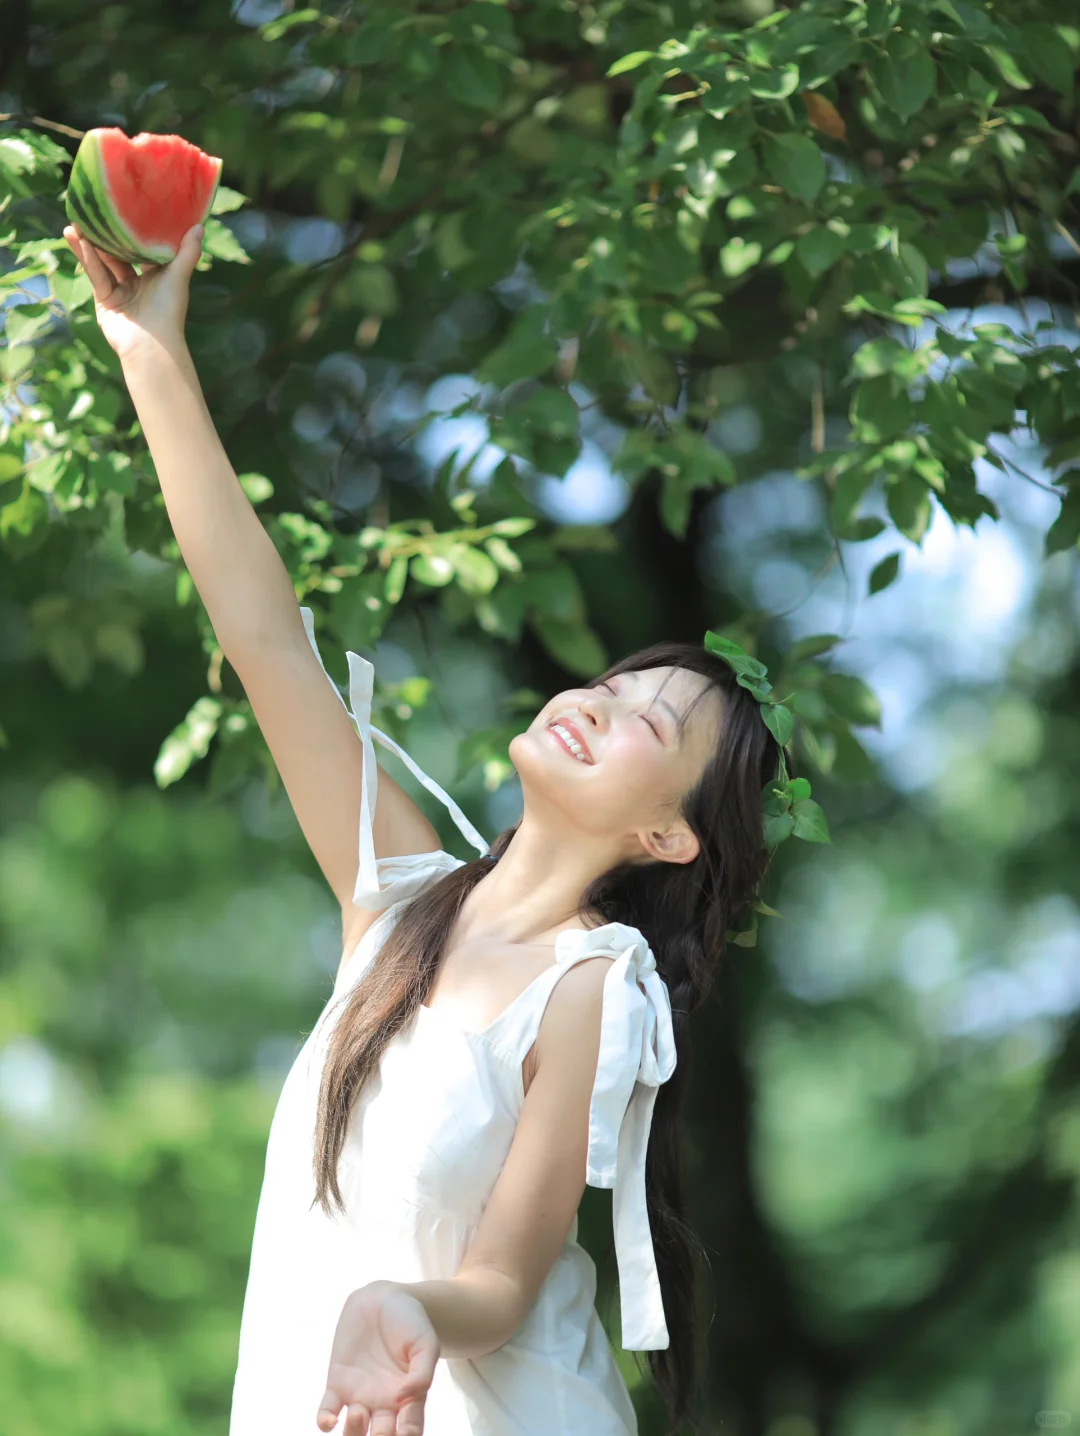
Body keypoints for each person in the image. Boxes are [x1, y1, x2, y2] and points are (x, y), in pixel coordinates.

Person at [63, 221, 784, 1436]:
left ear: (669, 836)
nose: (598, 708)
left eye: (647, 727)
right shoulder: (394, 899)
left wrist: (407, 1305)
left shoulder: (592, 985)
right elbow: (265, 635)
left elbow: (504, 1277)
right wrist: (150, 350)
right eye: (608, 686)